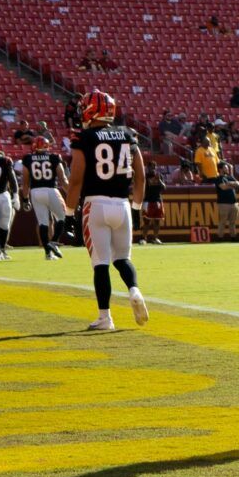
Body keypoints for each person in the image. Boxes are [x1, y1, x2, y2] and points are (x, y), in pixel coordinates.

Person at [68, 91, 148, 331]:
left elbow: (75, 180)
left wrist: (68, 213)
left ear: (91, 110)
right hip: (122, 204)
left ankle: (105, 317)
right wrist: (136, 208)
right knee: (123, 259)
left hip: (96, 205)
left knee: (100, 263)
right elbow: (141, 177)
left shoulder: (84, 137)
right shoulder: (127, 134)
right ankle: (134, 290)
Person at [22, 137, 69, 259]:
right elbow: (62, 179)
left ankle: (48, 253)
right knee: (63, 216)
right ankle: (53, 242)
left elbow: (25, 182)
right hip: (51, 190)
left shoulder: (28, 159)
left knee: (43, 223)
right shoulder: (54, 157)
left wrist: (25, 199)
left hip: (35, 192)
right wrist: (71, 194)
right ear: (47, 146)